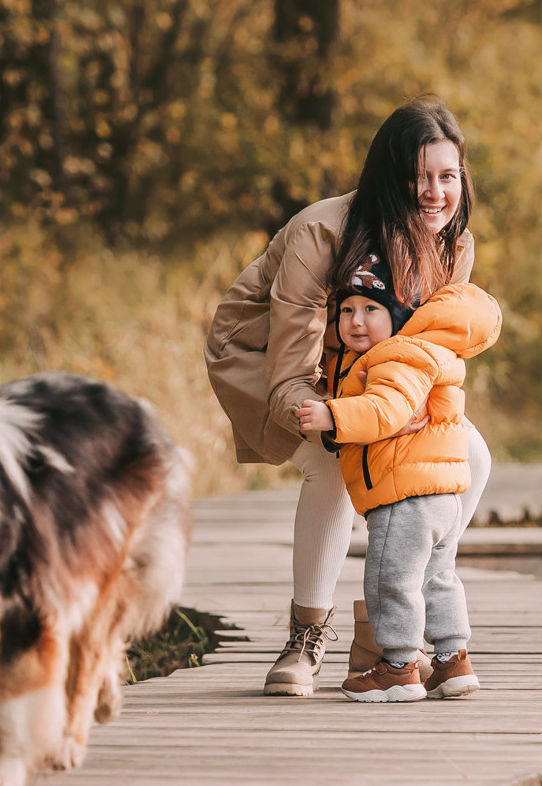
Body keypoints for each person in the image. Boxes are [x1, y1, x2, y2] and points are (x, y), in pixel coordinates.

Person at [205, 100, 494, 695]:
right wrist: (353, 419)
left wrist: (414, 411)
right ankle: (305, 636)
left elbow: (435, 353)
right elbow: (291, 373)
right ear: (389, 177)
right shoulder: (322, 232)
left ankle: (399, 601)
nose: (436, 193)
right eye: (419, 177)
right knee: (335, 463)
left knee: (472, 456)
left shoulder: (454, 244)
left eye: (448, 176)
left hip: (375, 377)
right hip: (271, 358)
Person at [296, 259, 500, 701]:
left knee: (391, 579)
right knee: (436, 576)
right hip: (440, 493)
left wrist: (331, 414)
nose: (356, 320)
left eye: (372, 309)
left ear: (398, 317)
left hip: (403, 496)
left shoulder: (394, 355)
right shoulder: (416, 353)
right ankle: (452, 661)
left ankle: (399, 665)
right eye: (347, 310)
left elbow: (386, 411)